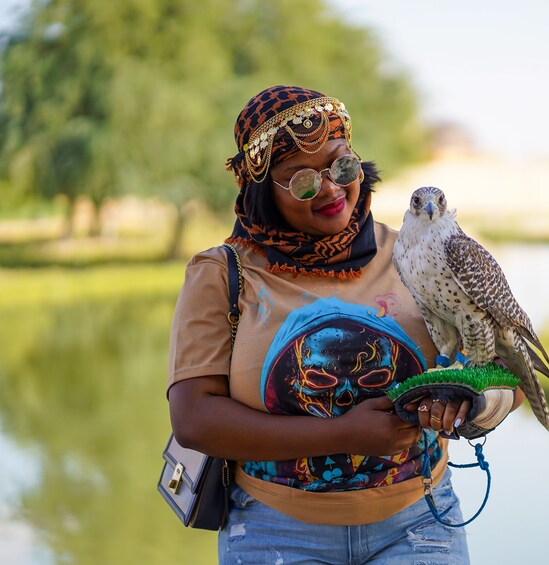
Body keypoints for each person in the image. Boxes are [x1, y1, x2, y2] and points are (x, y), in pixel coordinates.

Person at [167, 85, 525, 564]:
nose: (332, 190)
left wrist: (471, 406)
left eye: (342, 166)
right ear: (262, 190)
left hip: (420, 525)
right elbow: (194, 420)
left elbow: (513, 371)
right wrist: (345, 435)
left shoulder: (420, 254)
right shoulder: (222, 274)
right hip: (275, 532)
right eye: (301, 182)